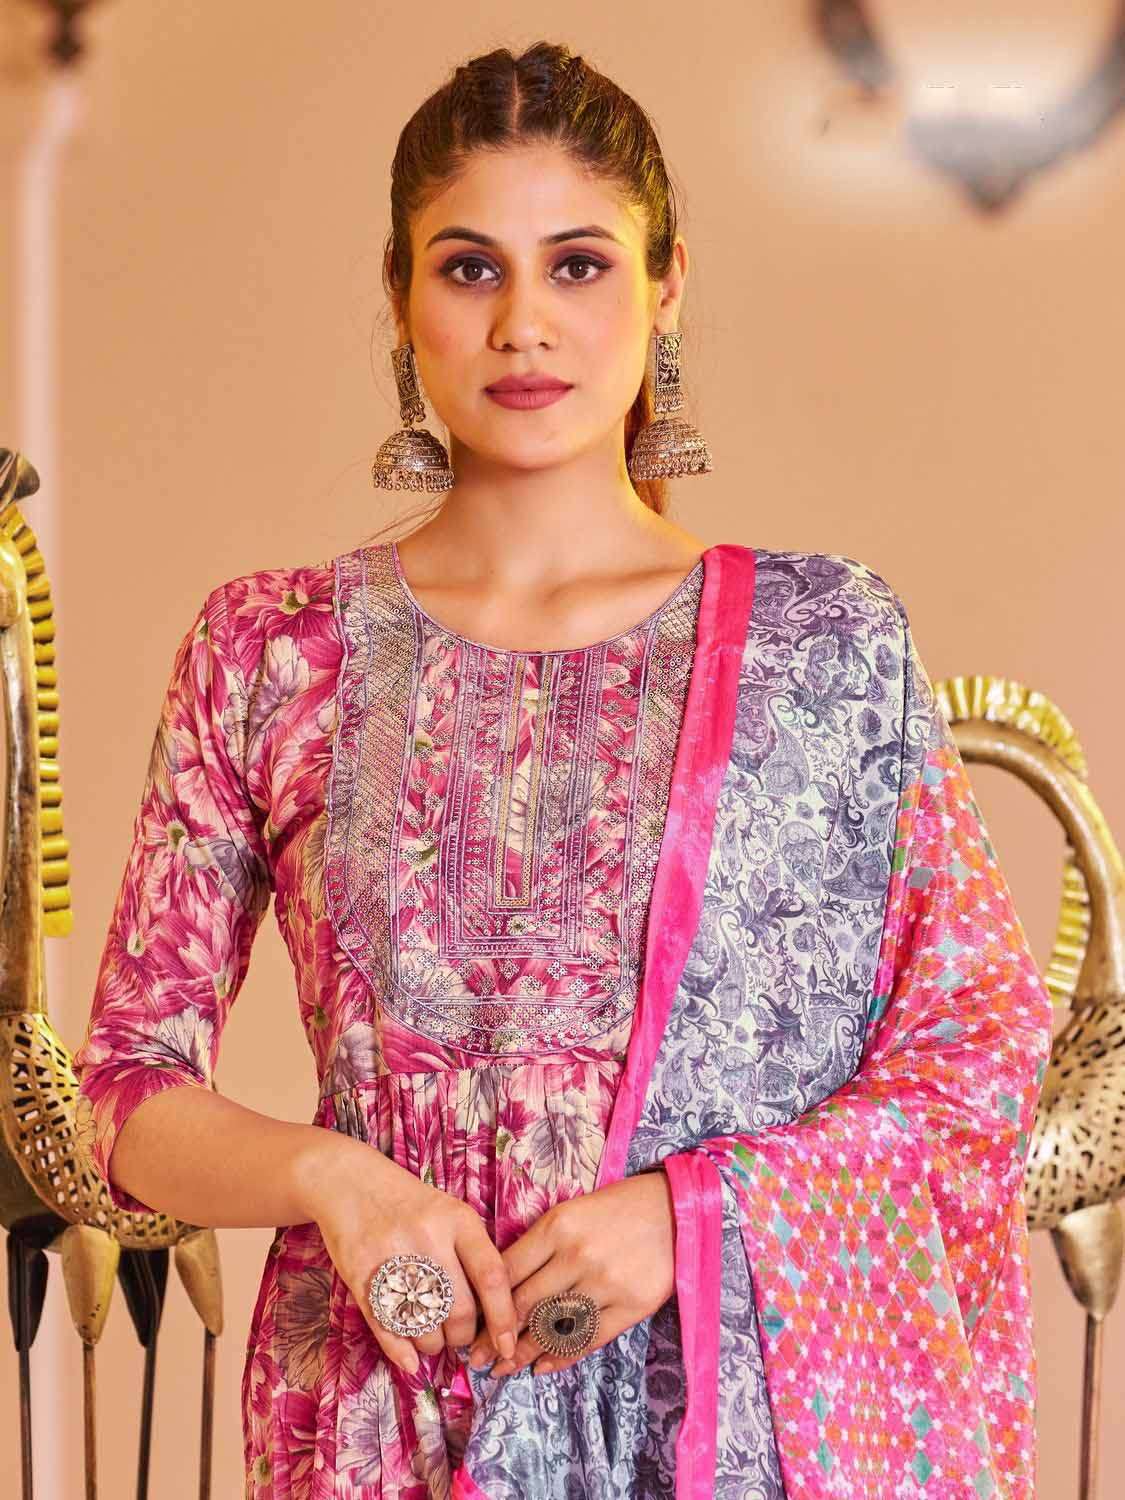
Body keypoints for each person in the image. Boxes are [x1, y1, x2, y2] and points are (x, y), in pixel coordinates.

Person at [71, 40, 1053, 1500]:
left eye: (579, 265)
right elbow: (126, 1090)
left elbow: (977, 1050)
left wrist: (690, 1217)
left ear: (666, 288)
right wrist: (333, 1180)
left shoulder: (823, 641)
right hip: (380, 1411)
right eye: (469, 268)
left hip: (719, 1418)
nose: (523, 323)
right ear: (400, 298)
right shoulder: (269, 650)